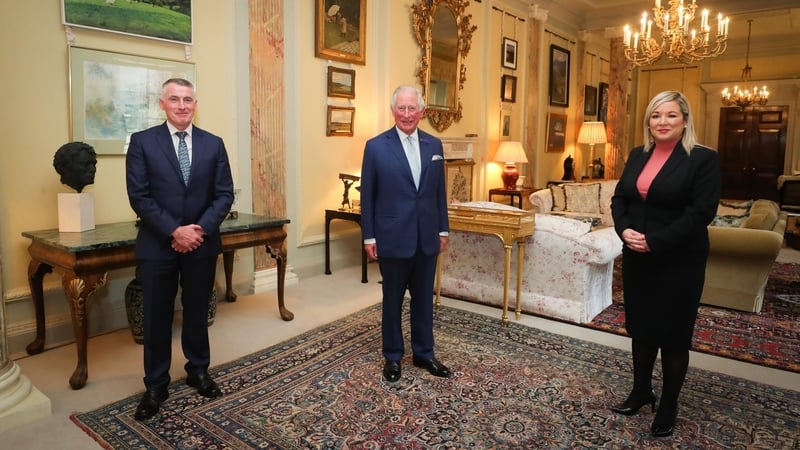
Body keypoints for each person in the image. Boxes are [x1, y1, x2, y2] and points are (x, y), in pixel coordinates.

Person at [609, 91, 720, 437]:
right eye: (655, 116)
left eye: (671, 115)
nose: (662, 122)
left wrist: (655, 240)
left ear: (685, 120)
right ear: (648, 121)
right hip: (637, 256)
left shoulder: (703, 159)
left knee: (673, 336)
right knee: (641, 329)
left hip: (678, 259)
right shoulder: (637, 154)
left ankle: (669, 403)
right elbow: (620, 198)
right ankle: (641, 391)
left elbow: (701, 213)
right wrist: (624, 229)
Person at [126, 78, 234, 421]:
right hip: (158, 244)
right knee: (157, 316)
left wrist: (198, 230)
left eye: (188, 99)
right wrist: (174, 230)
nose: (182, 105)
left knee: (197, 310)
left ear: (195, 103)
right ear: (163, 104)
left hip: (201, 244)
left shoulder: (213, 144)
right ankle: (156, 384)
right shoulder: (143, 143)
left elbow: (224, 194)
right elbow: (139, 196)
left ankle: (198, 370)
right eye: (175, 99)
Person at [359, 85, 451, 383]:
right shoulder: (375, 147)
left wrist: (442, 228)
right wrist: (369, 236)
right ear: (393, 110)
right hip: (392, 237)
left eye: (413, 108)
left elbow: (439, 192)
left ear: (422, 111)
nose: (407, 114)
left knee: (424, 299)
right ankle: (393, 357)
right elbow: (368, 196)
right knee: (392, 300)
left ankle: (424, 353)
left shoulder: (434, 145)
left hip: (426, 237)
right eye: (402, 108)